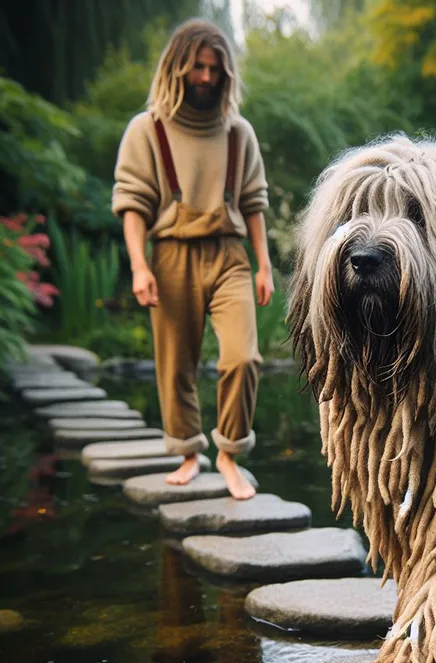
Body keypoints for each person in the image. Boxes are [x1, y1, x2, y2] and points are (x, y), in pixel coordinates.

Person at [112, 19, 273, 500]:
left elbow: (254, 203)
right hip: (170, 254)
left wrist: (264, 265)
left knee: (242, 357)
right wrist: (140, 266)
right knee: (175, 363)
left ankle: (228, 453)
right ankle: (187, 452)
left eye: (214, 69)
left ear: (226, 74)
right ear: (177, 68)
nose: (205, 77)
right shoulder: (147, 129)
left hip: (228, 255)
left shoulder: (238, 133)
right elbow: (132, 204)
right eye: (197, 67)